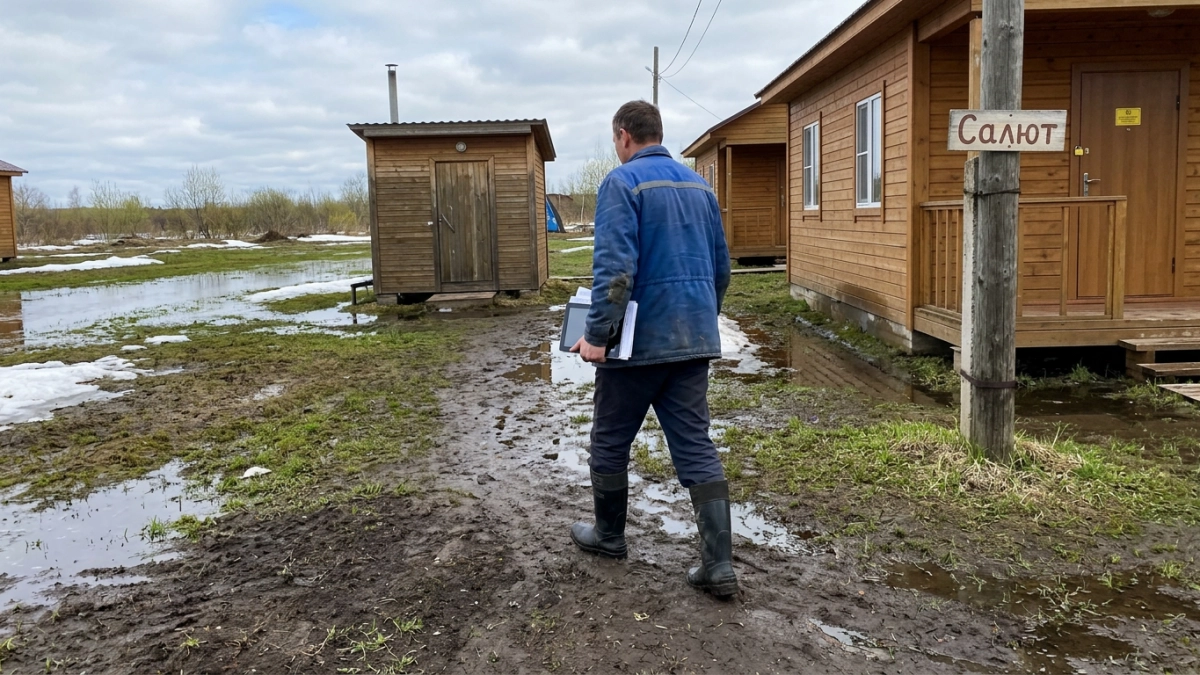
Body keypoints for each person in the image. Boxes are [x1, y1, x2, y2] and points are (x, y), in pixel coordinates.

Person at [569, 100, 736, 598]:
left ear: (623, 136)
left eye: (614, 139)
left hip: (637, 347)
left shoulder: (622, 183)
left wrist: (597, 336)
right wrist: (702, 321)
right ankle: (719, 566)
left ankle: (609, 537)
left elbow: (615, 270)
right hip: (693, 340)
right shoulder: (700, 187)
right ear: (657, 133)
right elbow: (721, 268)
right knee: (696, 446)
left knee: (610, 439)